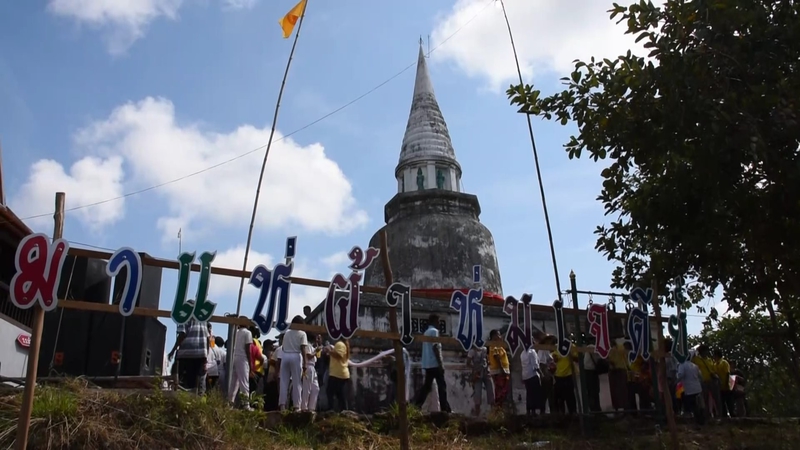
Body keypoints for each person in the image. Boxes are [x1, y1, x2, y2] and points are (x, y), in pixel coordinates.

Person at [167, 301, 209, 396]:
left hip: (188, 353)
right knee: (196, 381)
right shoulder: (203, 319)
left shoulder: (184, 316)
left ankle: (182, 397)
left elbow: (182, 334)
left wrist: (173, 350)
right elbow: (207, 338)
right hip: (201, 353)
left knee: (183, 380)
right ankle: (196, 399)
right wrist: (206, 355)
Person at [413, 314, 452, 413]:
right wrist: (440, 363)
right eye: (438, 321)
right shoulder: (434, 332)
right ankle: (444, 408)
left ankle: (417, 405)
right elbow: (436, 347)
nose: (439, 323)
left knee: (427, 386)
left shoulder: (426, 332)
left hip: (428, 364)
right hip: (434, 363)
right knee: (441, 386)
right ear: (434, 321)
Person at [279, 316, 309, 411]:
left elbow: (283, 348)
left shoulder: (287, 333)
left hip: (285, 355)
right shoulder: (302, 333)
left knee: (284, 381)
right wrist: (305, 362)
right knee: (297, 382)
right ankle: (297, 406)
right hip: (296, 355)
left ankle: (282, 405)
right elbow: (303, 348)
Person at [228, 318, 256, 409]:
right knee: (244, 382)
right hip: (242, 358)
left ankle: (230, 403)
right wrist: (250, 363)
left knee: (234, 382)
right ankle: (246, 404)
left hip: (234, 356)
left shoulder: (235, 332)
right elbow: (248, 349)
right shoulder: (247, 333)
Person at [466, 342, 494, 417]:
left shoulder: (484, 349)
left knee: (491, 390)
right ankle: (477, 413)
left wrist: (487, 365)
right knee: (477, 393)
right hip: (477, 374)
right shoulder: (472, 351)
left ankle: (494, 412)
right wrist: (475, 369)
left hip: (486, 372)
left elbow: (487, 360)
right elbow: (468, 363)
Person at [693, 344, 721, 417]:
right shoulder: (696, 359)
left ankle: (719, 414)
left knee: (716, 398)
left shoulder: (709, 360)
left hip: (711, 381)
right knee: (704, 398)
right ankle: (706, 414)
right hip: (702, 381)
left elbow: (713, 369)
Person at [551, 341, 578, 415]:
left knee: (570, 396)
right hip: (559, 375)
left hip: (569, 375)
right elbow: (554, 359)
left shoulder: (572, 346)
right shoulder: (557, 346)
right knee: (559, 397)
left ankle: (573, 413)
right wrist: (558, 355)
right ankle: (561, 414)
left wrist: (570, 354)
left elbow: (577, 359)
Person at [677, 354, 705, 425]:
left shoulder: (682, 365)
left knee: (689, 407)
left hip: (689, 389)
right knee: (698, 406)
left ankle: (692, 422)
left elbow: (680, 375)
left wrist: (675, 381)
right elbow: (701, 376)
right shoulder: (695, 366)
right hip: (698, 388)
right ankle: (701, 421)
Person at [326, 338, 350, 412]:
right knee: (339, 394)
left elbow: (339, 355)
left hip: (337, 373)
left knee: (330, 391)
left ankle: (332, 409)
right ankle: (342, 410)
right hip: (338, 373)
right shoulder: (341, 344)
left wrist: (329, 351)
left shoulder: (340, 344)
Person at [488, 329, 511, 408]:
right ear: (494, 336)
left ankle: (500, 410)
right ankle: (498, 411)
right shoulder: (494, 346)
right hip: (499, 372)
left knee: (504, 392)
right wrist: (502, 370)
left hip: (504, 371)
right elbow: (497, 358)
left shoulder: (500, 346)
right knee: (500, 392)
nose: (500, 336)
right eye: (498, 335)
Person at [607, 338, 629, 412]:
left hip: (614, 371)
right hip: (621, 369)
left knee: (615, 390)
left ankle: (617, 406)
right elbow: (625, 357)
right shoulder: (621, 347)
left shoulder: (610, 350)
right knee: (622, 389)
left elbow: (608, 360)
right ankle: (624, 406)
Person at [301, 333, 322, 412]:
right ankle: (304, 407)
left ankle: (311, 407)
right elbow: (309, 356)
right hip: (308, 366)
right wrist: (316, 351)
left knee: (316, 388)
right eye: (316, 338)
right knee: (307, 388)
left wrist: (316, 350)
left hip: (313, 367)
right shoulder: (308, 345)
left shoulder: (312, 347)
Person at [536, 333, 556, 414]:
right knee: (545, 395)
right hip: (546, 375)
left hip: (550, 374)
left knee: (550, 395)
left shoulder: (547, 350)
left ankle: (550, 412)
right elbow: (541, 363)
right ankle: (543, 412)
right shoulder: (542, 350)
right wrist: (544, 374)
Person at [520, 344, 542, 415]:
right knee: (535, 393)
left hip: (525, 376)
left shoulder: (522, 353)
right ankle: (534, 411)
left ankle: (528, 410)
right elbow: (535, 365)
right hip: (533, 375)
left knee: (529, 393)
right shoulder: (532, 352)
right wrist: (542, 374)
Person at [713, 349, 733, 418]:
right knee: (722, 402)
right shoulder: (715, 364)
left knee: (729, 401)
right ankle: (724, 416)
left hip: (725, 385)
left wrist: (726, 383)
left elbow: (727, 373)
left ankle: (732, 415)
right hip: (719, 386)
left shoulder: (724, 363)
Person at [583, 345, 602, 412]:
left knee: (591, 391)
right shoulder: (593, 347)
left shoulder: (589, 347)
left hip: (588, 370)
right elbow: (599, 357)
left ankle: (593, 408)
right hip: (591, 371)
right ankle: (595, 408)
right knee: (594, 391)